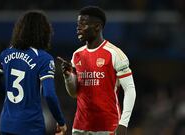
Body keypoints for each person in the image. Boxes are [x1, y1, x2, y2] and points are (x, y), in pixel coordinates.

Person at [57, 6, 136, 135]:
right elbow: (74, 93)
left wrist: (123, 123)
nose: (78, 28)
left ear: (97, 27)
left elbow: (130, 90)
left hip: (108, 126)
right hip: (80, 127)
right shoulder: (77, 55)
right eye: (78, 24)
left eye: (83, 24)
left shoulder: (114, 54)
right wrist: (68, 77)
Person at [0, 10, 67, 135]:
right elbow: (49, 94)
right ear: (44, 32)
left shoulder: (6, 53)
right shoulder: (44, 58)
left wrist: (10, 93)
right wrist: (61, 121)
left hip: (6, 124)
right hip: (30, 126)